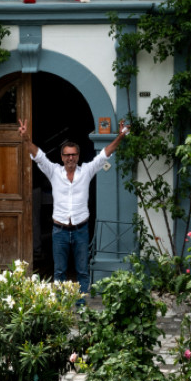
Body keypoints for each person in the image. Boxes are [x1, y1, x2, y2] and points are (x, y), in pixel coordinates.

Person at [17, 118, 128, 296]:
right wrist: (25, 139)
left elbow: (104, 154)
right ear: (62, 157)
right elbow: (38, 156)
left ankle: (82, 304)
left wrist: (121, 137)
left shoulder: (86, 171)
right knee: (59, 271)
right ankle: (60, 306)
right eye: (67, 155)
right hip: (59, 230)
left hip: (80, 230)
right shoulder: (53, 171)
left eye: (73, 155)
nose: (70, 158)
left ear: (77, 156)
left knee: (82, 271)